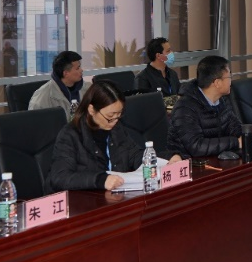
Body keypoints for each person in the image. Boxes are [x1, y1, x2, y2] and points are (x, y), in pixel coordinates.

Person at [46, 80, 179, 192]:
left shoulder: (116, 128)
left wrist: (167, 159)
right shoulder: (70, 135)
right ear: (91, 110)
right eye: (110, 116)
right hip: (86, 201)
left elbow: (134, 155)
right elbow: (60, 177)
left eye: (118, 115)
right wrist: (100, 180)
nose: (115, 121)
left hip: (115, 196)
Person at [167, 56, 252, 158]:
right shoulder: (185, 107)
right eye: (229, 77)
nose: (231, 81)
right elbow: (196, 146)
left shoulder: (222, 100)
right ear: (217, 83)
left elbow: (234, 127)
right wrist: (237, 142)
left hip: (216, 157)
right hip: (190, 162)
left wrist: (249, 135)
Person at [29, 51, 84, 117]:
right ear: (66, 73)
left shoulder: (87, 88)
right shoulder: (42, 98)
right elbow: (34, 121)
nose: (81, 70)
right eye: (78, 68)